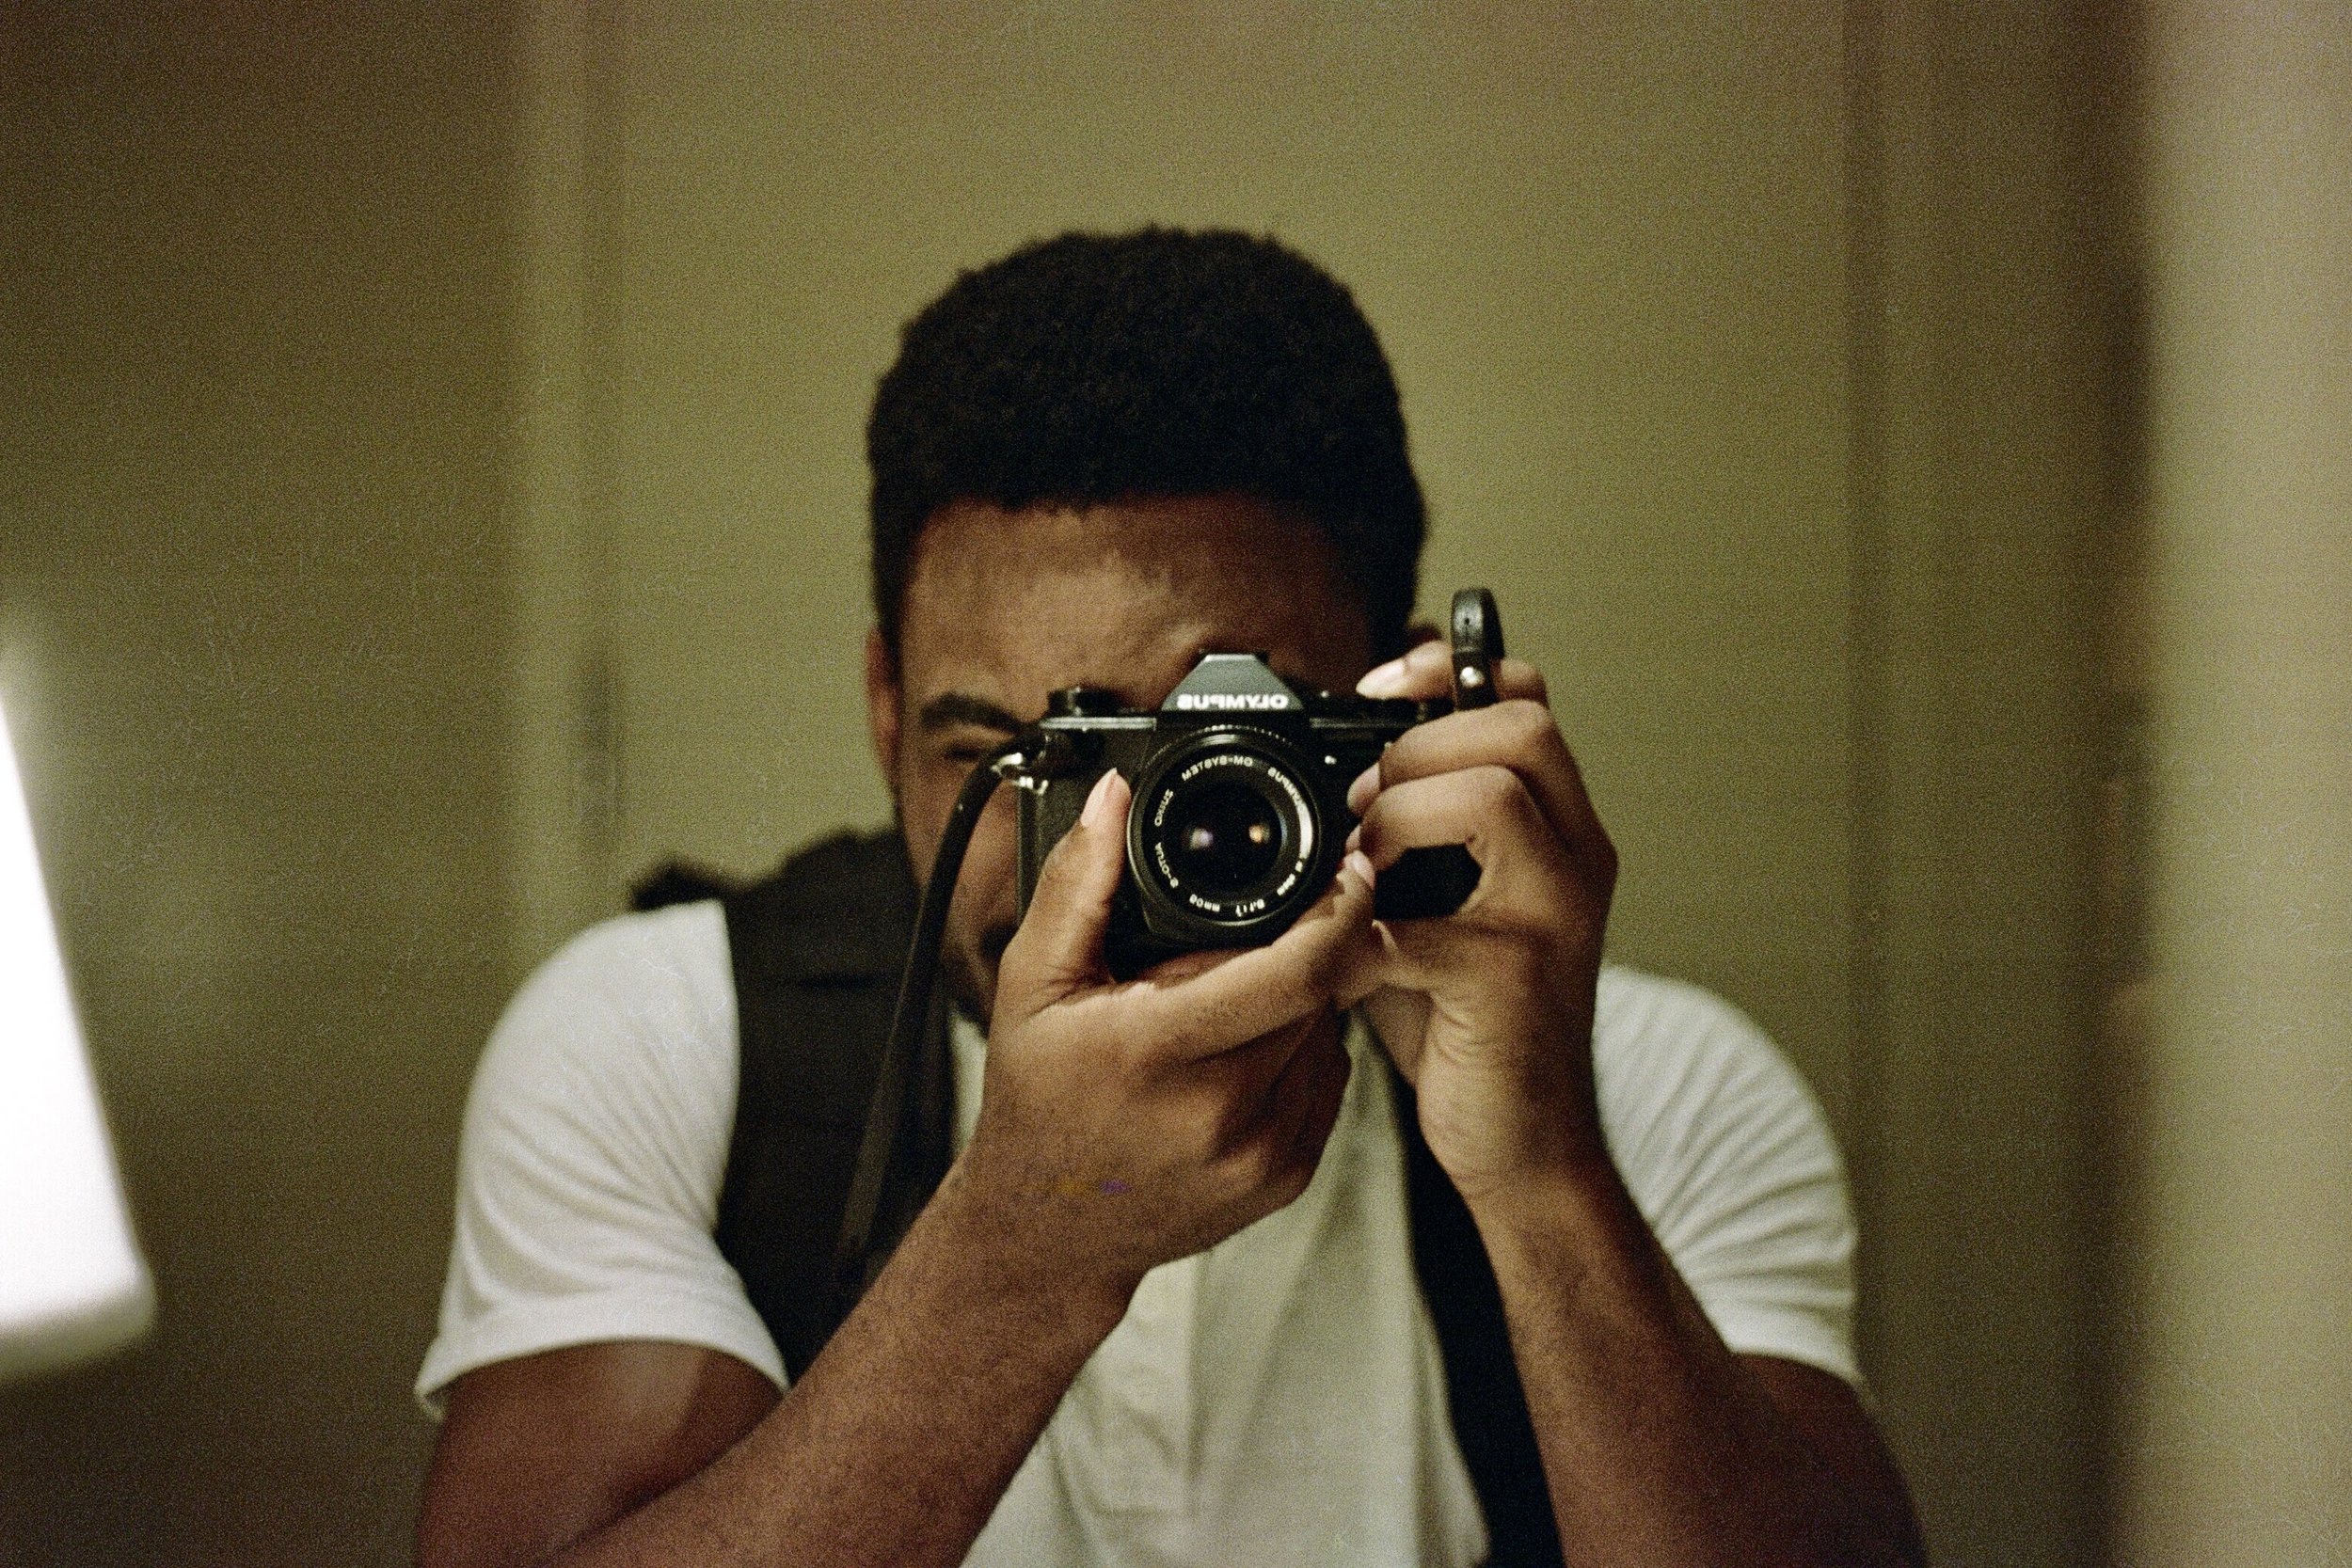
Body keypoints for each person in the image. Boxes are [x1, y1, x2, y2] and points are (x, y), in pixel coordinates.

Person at [412, 227, 1924, 1568]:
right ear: (885, 707)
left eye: (1204, 761)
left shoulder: (1653, 1093)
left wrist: (1540, 1178)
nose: (1098, 853)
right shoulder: (666, 1044)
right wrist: (1018, 1258)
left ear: (1396, 704)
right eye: (1008, 756)